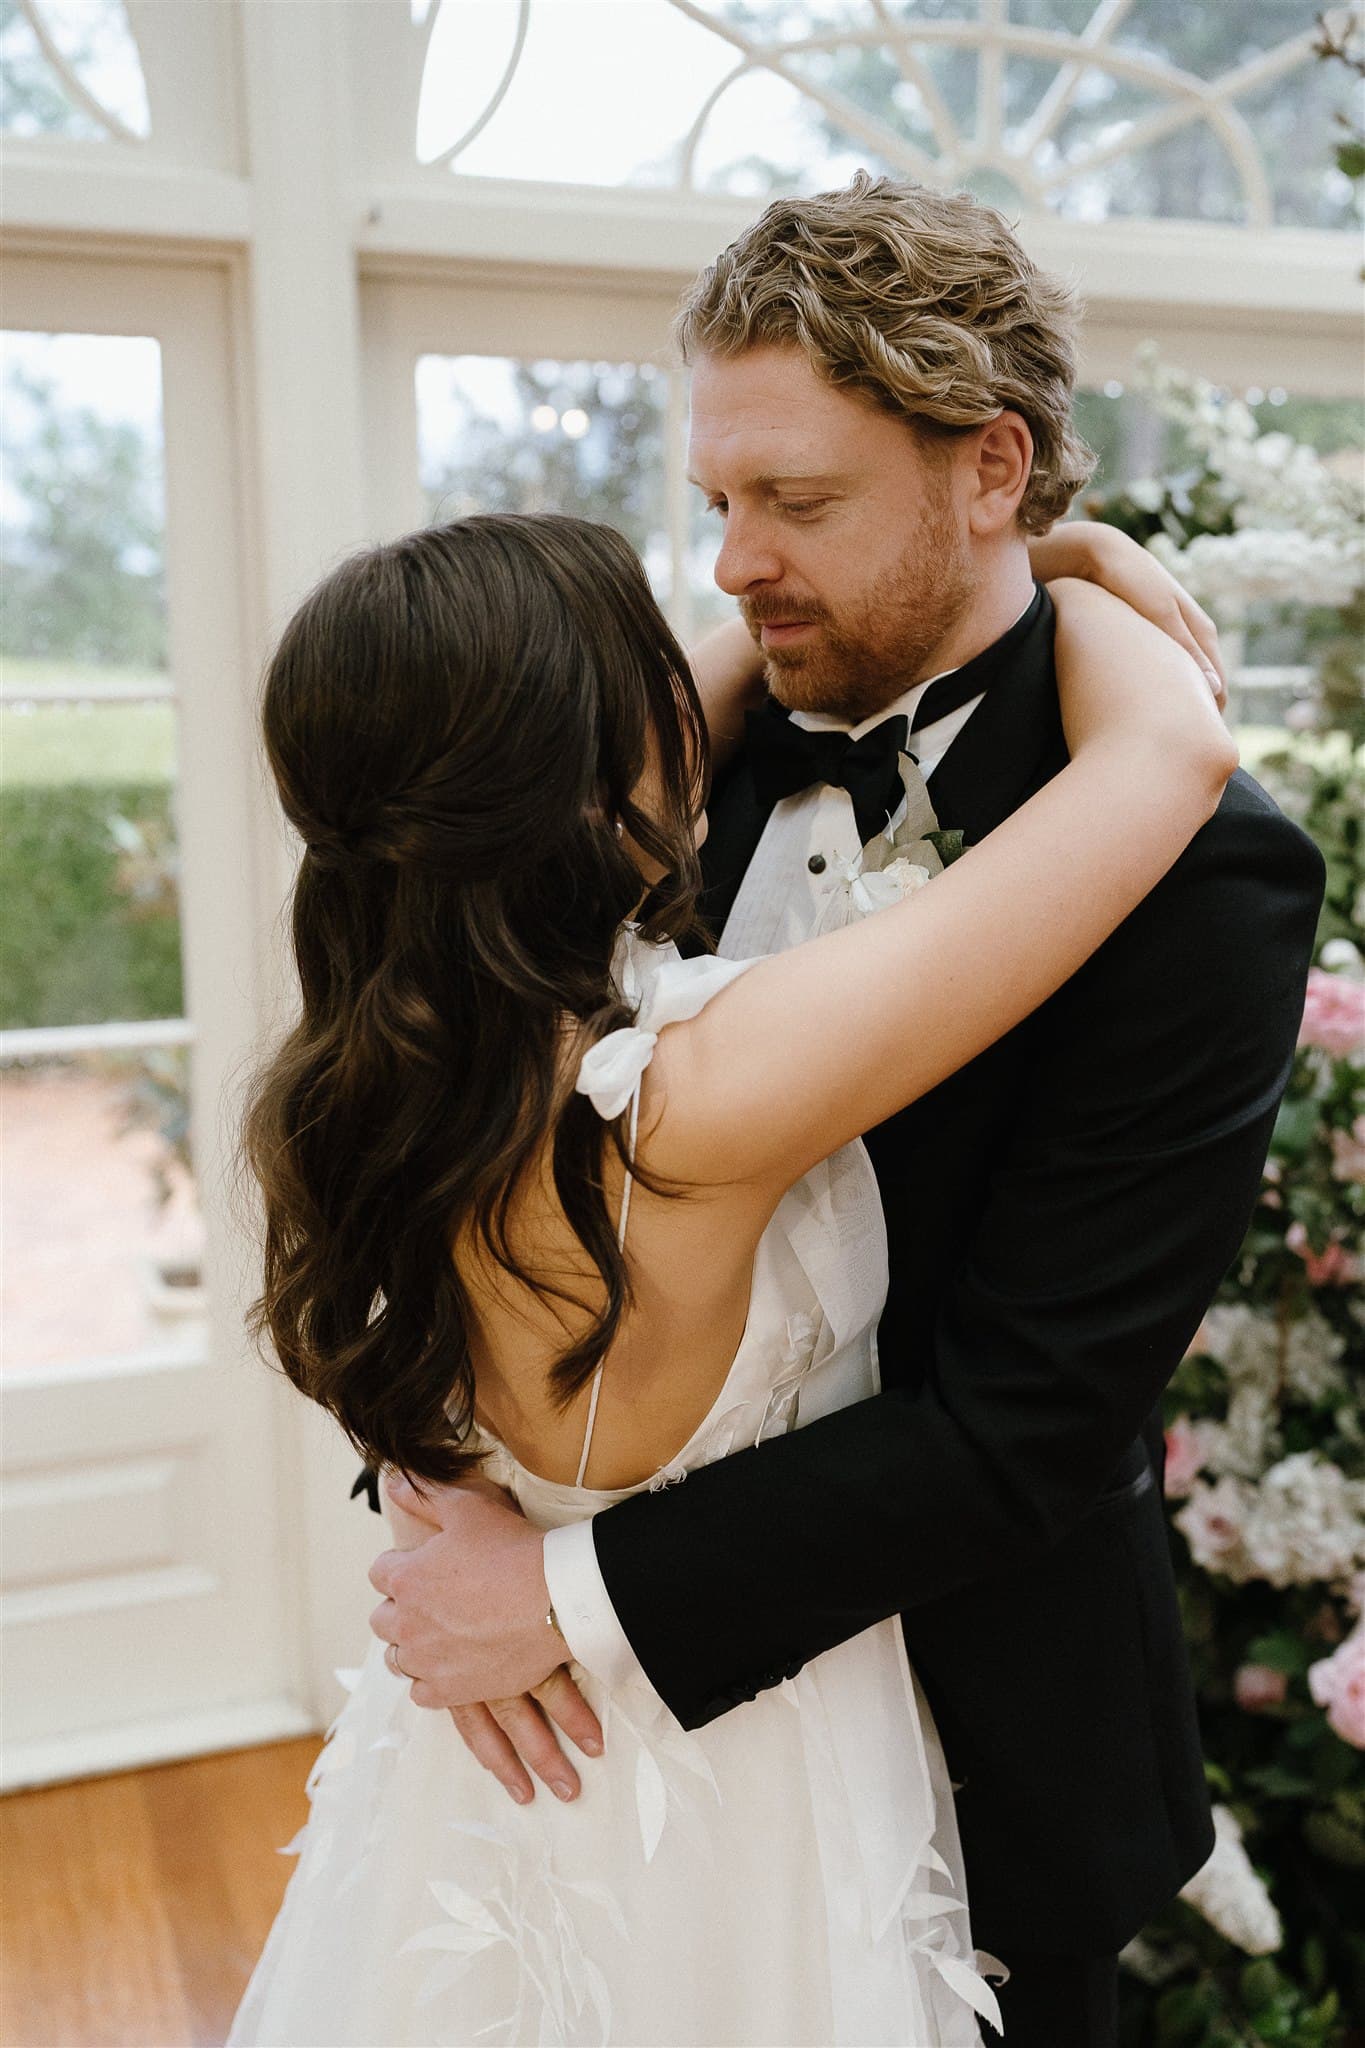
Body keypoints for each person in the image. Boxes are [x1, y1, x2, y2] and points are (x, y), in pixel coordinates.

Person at [359, 179, 1325, 2048]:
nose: (731, 563)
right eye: (717, 500)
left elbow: (1034, 1417)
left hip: (979, 1759)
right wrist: (440, 1503)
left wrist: (568, 1594)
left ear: (992, 469)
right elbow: (432, 1120)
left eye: (794, 502)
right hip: (588, 1756)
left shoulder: (1200, 869)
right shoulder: (648, 770)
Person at [229, 480, 1235, 2045]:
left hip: (501, 1774)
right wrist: (1080, 567)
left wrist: (985, 552)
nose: (712, 627)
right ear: (585, 773)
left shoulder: (372, 1073)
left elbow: (640, 719)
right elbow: (1170, 758)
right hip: (752, 1783)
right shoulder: (694, 1086)